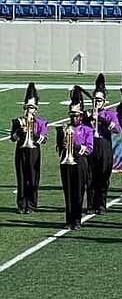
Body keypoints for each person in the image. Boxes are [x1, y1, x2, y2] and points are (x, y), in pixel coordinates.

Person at [57, 87, 94, 230]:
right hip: (66, 163)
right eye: (72, 116)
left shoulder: (87, 130)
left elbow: (89, 149)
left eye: (76, 116)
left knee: (78, 192)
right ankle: (68, 219)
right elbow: (59, 148)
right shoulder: (65, 128)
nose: (74, 118)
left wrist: (75, 146)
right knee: (68, 192)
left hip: (80, 163)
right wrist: (63, 143)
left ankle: (77, 219)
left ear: (81, 116)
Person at [10, 83, 48, 214]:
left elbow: (43, 139)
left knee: (32, 178)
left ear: (35, 109)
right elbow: (13, 138)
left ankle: (31, 205)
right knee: (21, 178)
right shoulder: (18, 122)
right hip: (21, 151)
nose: (29, 110)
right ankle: (21, 205)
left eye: (31, 107)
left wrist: (32, 132)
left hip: (34, 152)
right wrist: (21, 131)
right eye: (27, 107)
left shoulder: (41, 123)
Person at [86, 74, 120, 215]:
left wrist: (100, 118)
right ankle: (91, 204)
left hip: (104, 145)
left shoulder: (109, 114)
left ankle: (101, 204)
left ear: (104, 102)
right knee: (91, 176)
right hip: (92, 145)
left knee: (103, 176)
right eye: (95, 100)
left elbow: (116, 129)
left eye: (99, 100)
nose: (97, 103)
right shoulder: (87, 113)